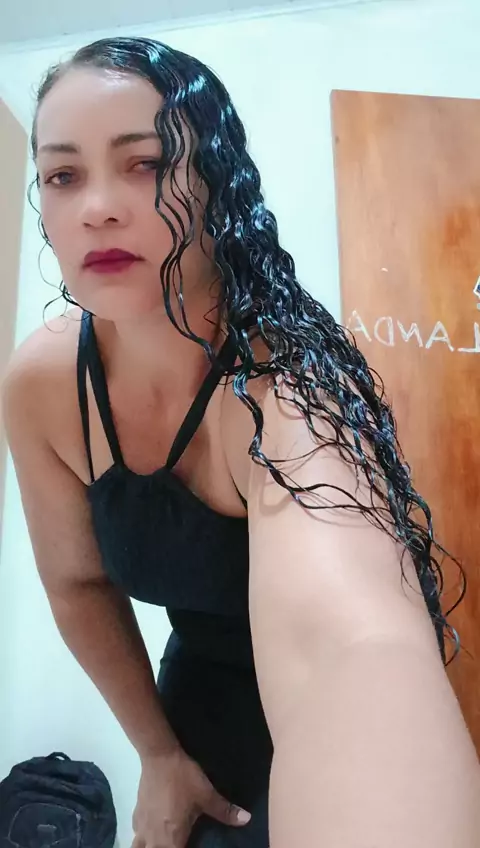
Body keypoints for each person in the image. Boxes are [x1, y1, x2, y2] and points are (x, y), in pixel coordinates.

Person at [2, 36, 479, 848]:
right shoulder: (43, 385)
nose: (98, 206)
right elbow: (78, 585)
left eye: (145, 163)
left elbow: (346, 645)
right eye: (63, 175)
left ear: (217, 179)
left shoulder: (289, 384)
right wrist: (156, 754)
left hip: (327, 741)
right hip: (190, 714)